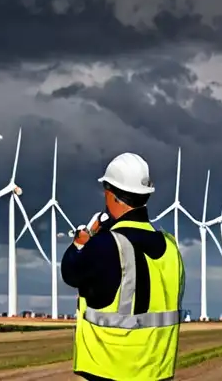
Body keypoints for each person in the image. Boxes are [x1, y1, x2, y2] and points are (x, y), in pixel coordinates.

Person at [61, 152, 185, 381]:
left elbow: (70, 272)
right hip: (158, 372)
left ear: (112, 195)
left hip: (108, 371)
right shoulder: (171, 248)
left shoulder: (107, 245)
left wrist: (82, 241)